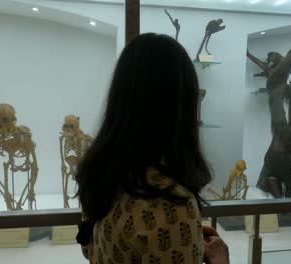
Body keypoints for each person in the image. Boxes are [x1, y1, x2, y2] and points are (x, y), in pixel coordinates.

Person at [76, 33, 229, 264]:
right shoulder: (172, 206)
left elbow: (90, 248)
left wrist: (188, 239)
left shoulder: (101, 176)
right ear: (181, 106)